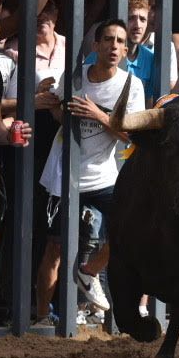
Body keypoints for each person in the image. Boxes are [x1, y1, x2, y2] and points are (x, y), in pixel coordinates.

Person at [33, 20, 146, 327]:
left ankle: (90, 271)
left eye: (120, 41)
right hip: (64, 175)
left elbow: (133, 135)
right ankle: (43, 318)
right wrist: (51, 102)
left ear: (126, 49)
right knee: (55, 248)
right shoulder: (76, 74)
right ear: (95, 45)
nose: (113, 46)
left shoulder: (131, 84)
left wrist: (98, 115)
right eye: (108, 39)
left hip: (104, 176)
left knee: (128, 231)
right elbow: (56, 108)